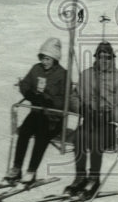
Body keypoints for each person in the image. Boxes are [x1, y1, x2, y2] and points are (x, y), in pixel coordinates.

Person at [69, 41, 118, 200]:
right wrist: (82, 108)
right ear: (96, 58)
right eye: (101, 57)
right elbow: (74, 97)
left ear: (112, 59)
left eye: (107, 58)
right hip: (91, 119)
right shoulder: (86, 75)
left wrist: (111, 115)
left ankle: (94, 178)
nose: (104, 61)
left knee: (95, 139)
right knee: (79, 136)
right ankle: (80, 177)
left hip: (110, 125)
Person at [6, 38, 70, 185]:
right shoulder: (36, 69)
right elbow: (25, 84)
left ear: (54, 59)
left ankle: (31, 171)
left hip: (53, 117)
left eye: (47, 59)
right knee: (24, 132)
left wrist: (50, 101)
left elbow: (66, 100)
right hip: (37, 112)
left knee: (42, 136)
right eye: (42, 58)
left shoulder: (62, 74)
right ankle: (16, 168)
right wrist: (30, 94)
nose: (44, 62)